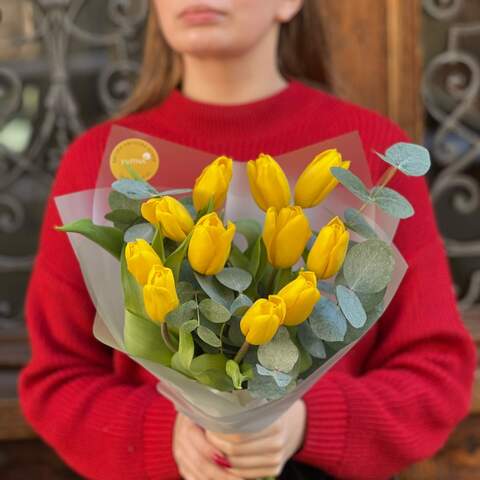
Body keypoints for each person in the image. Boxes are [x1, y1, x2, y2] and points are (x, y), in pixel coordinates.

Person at [19, 1, 476, 479]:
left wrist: (305, 423)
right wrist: (166, 434)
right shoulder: (98, 162)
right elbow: (56, 380)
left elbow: (437, 374)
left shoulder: (373, 157)